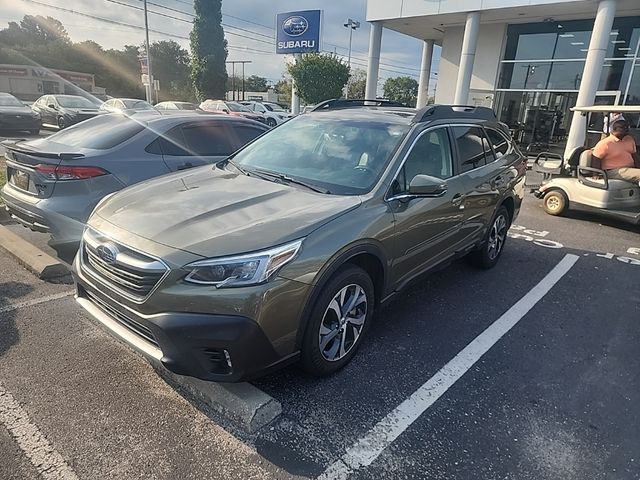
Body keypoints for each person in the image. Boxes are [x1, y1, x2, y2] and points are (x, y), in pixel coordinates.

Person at [591, 119, 640, 185]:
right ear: (616, 129)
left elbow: (635, 156)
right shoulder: (606, 143)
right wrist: (595, 175)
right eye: (624, 128)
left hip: (629, 169)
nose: (627, 130)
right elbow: (596, 158)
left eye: (627, 127)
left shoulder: (629, 139)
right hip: (613, 171)